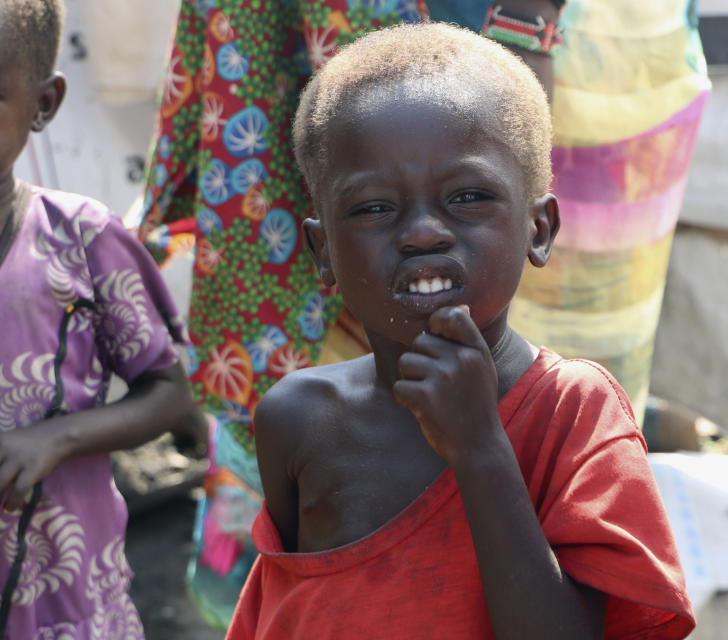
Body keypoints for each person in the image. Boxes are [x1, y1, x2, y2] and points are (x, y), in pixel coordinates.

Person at [225, 23, 695, 639]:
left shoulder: (575, 413)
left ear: (539, 229)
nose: (423, 232)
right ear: (323, 251)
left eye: (468, 197)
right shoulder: (297, 420)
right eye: (372, 208)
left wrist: (479, 447)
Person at [0, 1, 193, 637]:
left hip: (64, 592)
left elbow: (167, 392)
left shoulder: (80, 237)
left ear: (44, 104)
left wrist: (55, 438)